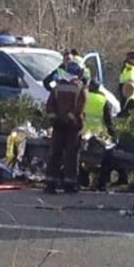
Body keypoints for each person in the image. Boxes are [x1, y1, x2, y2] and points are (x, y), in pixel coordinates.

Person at [45, 66, 86, 194]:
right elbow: (79, 108)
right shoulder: (80, 89)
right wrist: (69, 118)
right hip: (72, 128)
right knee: (71, 155)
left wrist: (55, 119)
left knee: (55, 154)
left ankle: (51, 183)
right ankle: (70, 184)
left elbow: (49, 106)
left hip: (58, 127)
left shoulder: (57, 88)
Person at [81, 79, 124, 190]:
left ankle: (81, 180)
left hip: (83, 133)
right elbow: (108, 121)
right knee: (109, 155)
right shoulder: (103, 100)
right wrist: (114, 136)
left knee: (77, 156)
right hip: (99, 134)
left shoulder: (82, 97)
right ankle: (102, 183)